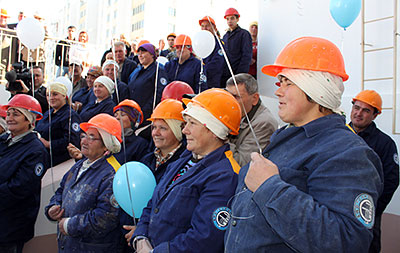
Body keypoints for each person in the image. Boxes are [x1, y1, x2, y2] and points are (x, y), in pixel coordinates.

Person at [224, 37, 383, 252]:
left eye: (288, 83)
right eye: (280, 82)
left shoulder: (348, 152)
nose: (278, 91)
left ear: (316, 89)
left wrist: (269, 187)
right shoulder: (287, 136)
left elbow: (346, 241)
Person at [131, 88, 241, 252]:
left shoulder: (225, 176)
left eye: (192, 123)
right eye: (185, 123)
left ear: (214, 130)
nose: (184, 130)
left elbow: (205, 240)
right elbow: (154, 202)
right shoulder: (185, 158)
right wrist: (140, 237)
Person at [45, 113, 122, 252]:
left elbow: (106, 217)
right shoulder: (79, 165)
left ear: (107, 146)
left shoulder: (112, 174)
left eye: (92, 137)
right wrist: (52, 207)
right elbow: (61, 190)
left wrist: (70, 225)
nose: (84, 141)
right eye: (84, 135)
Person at [349, 90, 399, 253]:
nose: (358, 113)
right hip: (336, 206)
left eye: (366, 110)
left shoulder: (385, 143)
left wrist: (373, 209)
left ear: (375, 115)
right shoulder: (337, 135)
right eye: (356, 107)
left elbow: (392, 179)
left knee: (368, 247)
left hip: (367, 212)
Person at [0, 94, 49, 253]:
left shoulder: (36, 150)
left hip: (10, 226)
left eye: (16, 114)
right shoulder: (4, 140)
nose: (9, 118)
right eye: (8, 113)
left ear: (29, 120)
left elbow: (19, 188)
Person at [226, 73, 278, 166]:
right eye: (227, 95)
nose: (229, 101)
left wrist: (219, 133)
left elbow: (241, 164)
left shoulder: (264, 123)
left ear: (254, 98)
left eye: (236, 97)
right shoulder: (238, 112)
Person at [127, 43, 168, 141]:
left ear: (152, 54)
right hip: (134, 115)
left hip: (147, 116)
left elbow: (159, 93)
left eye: (143, 52)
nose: (140, 55)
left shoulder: (158, 70)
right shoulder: (137, 71)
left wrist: (146, 111)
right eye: (139, 53)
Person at [35, 79, 81, 166]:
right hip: (41, 156)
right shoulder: (48, 113)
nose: (51, 98)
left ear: (64, 96)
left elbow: (73, 141)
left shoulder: (70, 115)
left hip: (58, 162)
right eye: (48, 95)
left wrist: (49, 144)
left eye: (55, 94)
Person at [141, 98, 186, 183]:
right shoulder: (146, 160)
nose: (156, 133)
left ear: (178, 131)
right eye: (154, 127)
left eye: (163, 128)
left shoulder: (185, 163)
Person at [221, 8, 252, 87]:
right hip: (226, 74)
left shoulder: (244, 34)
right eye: (227, 19)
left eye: (232, 18)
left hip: (237, 74)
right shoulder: (225, 36)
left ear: (237, 19)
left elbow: (247, 55)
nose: (230, 21)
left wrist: (240, 75)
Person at [113, 99, 149, 164]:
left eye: (122, 115)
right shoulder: (108, 139)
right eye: (115, 115)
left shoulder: (140, 144)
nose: (117, 118)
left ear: (132, 120)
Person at [199, 16, 225, 88]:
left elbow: (217, 63)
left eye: (207, 26)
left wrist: (202, 69)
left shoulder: (219, 44)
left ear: (214, 28)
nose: (204, 28)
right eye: (202, 26)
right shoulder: (200, 43)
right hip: (202, 81)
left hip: (213, 81)